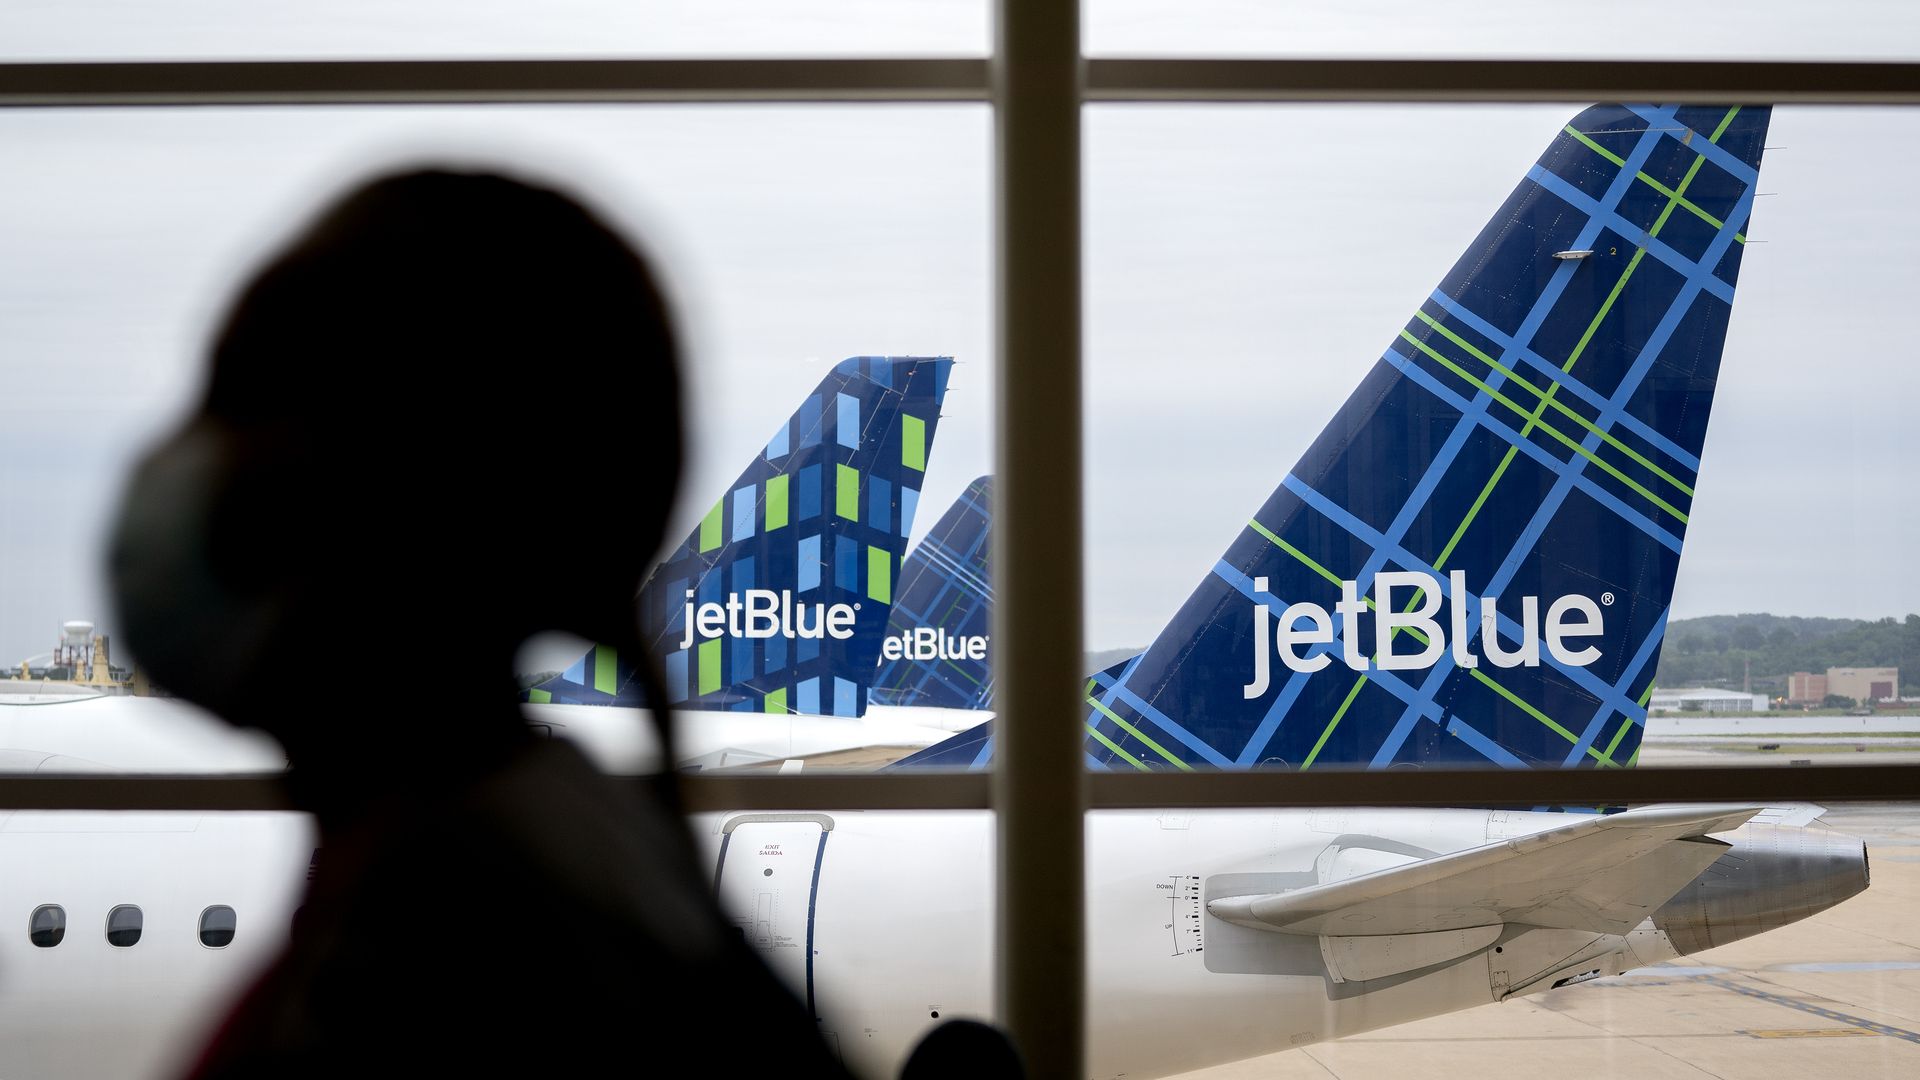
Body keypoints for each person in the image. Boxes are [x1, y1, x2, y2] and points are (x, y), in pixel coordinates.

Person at [108, 169, 851, 1077]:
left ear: (340, 489)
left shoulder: (426, 964)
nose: (169, 469)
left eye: (229, 403)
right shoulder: (563, 851)